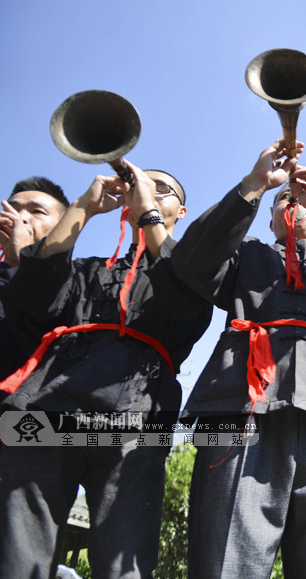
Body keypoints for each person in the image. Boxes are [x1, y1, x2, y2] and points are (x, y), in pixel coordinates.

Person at [172, 138, 306, 579]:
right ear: (271, 217)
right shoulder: (245, 256)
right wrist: (254, 185)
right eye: (284, 201)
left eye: (303, 199)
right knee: (225, 565)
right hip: (240, 412)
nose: (294, 204)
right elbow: (191, 261)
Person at [0, 164, 212, 578]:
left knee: (124, 561)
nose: (144, 191)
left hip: (138, 416)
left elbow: (187, 304)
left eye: (160, 188)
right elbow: (32, 295)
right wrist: (83, 207)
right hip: (46, 405)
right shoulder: (85, 268)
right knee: (20, 555)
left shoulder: (191, 268)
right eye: (138, 184)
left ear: (181, 211)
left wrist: (146, 209)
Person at [0, 176, 69, 379]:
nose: (19, 218)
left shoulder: (76, 280)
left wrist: (19, 262)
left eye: (37, 211)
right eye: (11, 209)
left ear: (60, 228)